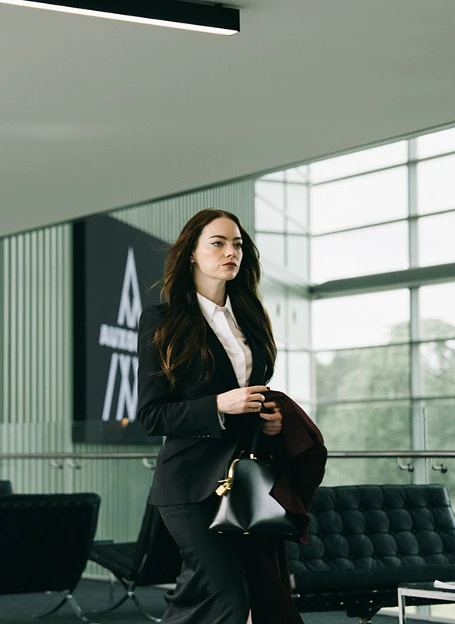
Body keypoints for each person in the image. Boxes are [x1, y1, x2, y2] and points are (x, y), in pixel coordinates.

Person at [137, 208, 304, 624]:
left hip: (246, 483)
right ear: (191, 253)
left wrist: (270, 419)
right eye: (218, 242)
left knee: (223, 597)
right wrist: (217, 405)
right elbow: (151, 416)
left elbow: (255, 395)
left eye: (238, 245)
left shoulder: (250, 318)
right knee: (229, 595)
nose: (231, 252)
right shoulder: (163, 321)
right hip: (188, 485)